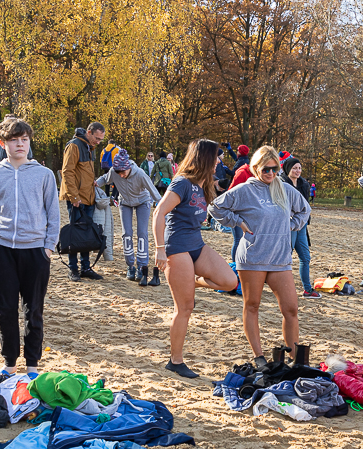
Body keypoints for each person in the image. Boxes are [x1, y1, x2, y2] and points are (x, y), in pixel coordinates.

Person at [211, 146, 311, 372]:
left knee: (291, 308)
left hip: (279, 259)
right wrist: (237, 221)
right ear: (256, 168)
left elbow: (304, 210)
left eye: (275, 168)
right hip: (253, 258)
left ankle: (296, 359)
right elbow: (215, 207)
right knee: (252, 305)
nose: (271, 173)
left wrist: (291, 226)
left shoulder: (284, 189)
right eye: (266, 169)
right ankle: (259, 356)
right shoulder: (245, 190)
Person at [0, 117, 61, 378]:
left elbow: (54, 213)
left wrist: (48, 247)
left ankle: (33, 366)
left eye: (24, 140)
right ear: (3, 144)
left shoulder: (44, 174)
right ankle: (10, 364)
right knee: (5, 310)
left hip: (36, 251)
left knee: (33, 310)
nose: (20, 145)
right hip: (3, 250)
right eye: (14, 140)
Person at [153, 139, 240, 378]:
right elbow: (159, 212)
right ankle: (175, 361)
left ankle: (194, 282)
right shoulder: (182, 182)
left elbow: (225, 201)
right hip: (177, 247)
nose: (219, 161)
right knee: (185, 308)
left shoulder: (205, 184)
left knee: (229, 281)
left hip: (196, 245)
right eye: (216, 157)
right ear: (205, 158)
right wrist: (160, 248)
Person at [95, 148, 161, 285]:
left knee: (142, 233)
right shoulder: (115, 172)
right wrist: (96, 183)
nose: (121, 176)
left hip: (143, 202)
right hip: (125, 203)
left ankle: (141, 267)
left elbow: (153, 191)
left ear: (128, 168)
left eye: (123, 173)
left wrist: (162, 205)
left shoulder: (140, 174)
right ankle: (130, 266)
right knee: (127, 234)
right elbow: (104, 179)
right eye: (118, 173)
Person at [60, 122, 105, 280]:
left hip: (89, 198)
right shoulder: (74, 146)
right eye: (97, 138)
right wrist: (74, 197)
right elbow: (67, 172)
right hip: (77, 199)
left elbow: (83, 172)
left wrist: (91, 182)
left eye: (101, 140)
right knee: (75, 234)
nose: (98, 142)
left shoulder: (89, 147)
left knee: (86, 234)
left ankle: (85, 267)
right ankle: (73, 269)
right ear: (89, 132)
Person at [282, 156, 317, 298]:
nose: (298, 171)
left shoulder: (304, 184)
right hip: (288, 225)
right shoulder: (281, 183)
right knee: (286, 257)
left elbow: (305, 207)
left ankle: (307, 290)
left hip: (301, 225)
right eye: (294, 168)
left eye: (299, 168)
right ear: (287, 169)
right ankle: (282, 288)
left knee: (305, 257)